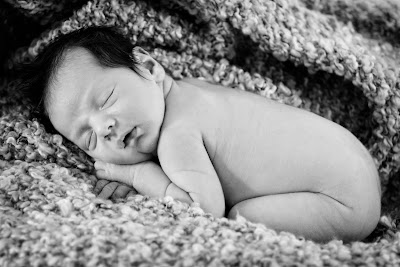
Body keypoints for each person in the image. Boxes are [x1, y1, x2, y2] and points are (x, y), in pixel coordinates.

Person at [20, 26, 381, 242]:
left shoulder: (179, 134)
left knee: (240, 220)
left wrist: (137, 174)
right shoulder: (194, 90)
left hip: (340, 203)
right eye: (89, 139)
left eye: (107, 99)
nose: (105, 127)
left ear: (148, 66)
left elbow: (205, 208)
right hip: (353, 168)